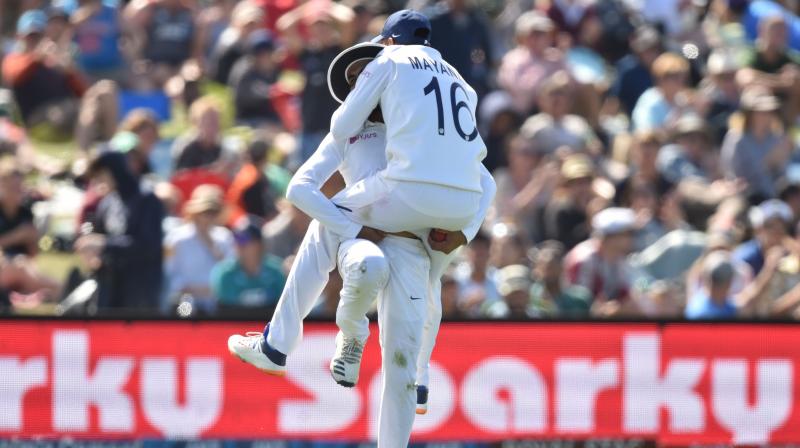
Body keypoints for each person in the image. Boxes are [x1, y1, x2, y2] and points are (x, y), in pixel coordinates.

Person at [229, 35, 495, 446]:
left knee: (402, 366)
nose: (359, 82)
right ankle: (339, 337)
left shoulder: (415, 128)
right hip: (360, 239)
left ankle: (282, 346)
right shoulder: (350, 134)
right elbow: (300, 189)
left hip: (406, 242)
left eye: (363, 73)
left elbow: (486, 181)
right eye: (353, 77)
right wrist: (355, 229)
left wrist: (464, 232)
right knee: (363, 258)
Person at [78, 151, 164, 310]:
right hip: (110, 289)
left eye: (101, 175)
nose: (99, 181)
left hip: (140, 293)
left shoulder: (146, 200)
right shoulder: (108, 203)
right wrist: (93, 251)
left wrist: (104, 244)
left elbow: (148, 245)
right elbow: (95, 230)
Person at [165, 184, 234, 314]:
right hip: (185, 300)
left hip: (217, 302)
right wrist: (189, 289)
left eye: (213, 212)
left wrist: (211, 245)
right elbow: (170, 272)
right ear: (194, 213)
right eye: (205, 212)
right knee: (184, 316)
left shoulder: (224, 237)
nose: (209, 217)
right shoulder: (177, 238)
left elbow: (229, 268)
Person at [564, 207, 640, 317]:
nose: (631, 239)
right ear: (612, 237)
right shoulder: (584, 260)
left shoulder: (619, 258)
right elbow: (579, 305)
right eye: (627, 234)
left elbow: (626, 295)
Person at [721, 86, 792, 203]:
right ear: (749, 114)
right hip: (747, 199)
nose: (767, 116)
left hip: (775, 199)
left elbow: (782, 177)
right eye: (761, 112)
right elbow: (733, 175)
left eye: (770, 112)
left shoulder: (776, 138)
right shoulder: (736, 139)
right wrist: (766, 164)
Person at [211, 218, 285, 310]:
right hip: (237, 323)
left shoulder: (278, 271)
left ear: (260, 244)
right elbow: (227, 309)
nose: (240, 245)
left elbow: (283, 307)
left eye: (244, 239)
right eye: (237, 239)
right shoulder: (225, 274)